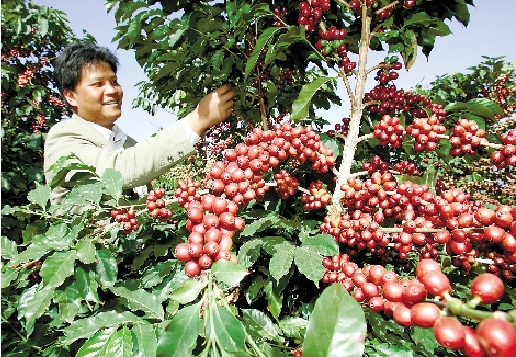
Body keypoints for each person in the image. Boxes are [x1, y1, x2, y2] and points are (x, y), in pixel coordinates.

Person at [44, 42, 235, 204]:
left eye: (114, 82)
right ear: (70, 96)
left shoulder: (126, 143)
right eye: (98, 84)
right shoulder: (64, 137)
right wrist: (197, 120)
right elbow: (119, 171)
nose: (111, 90)